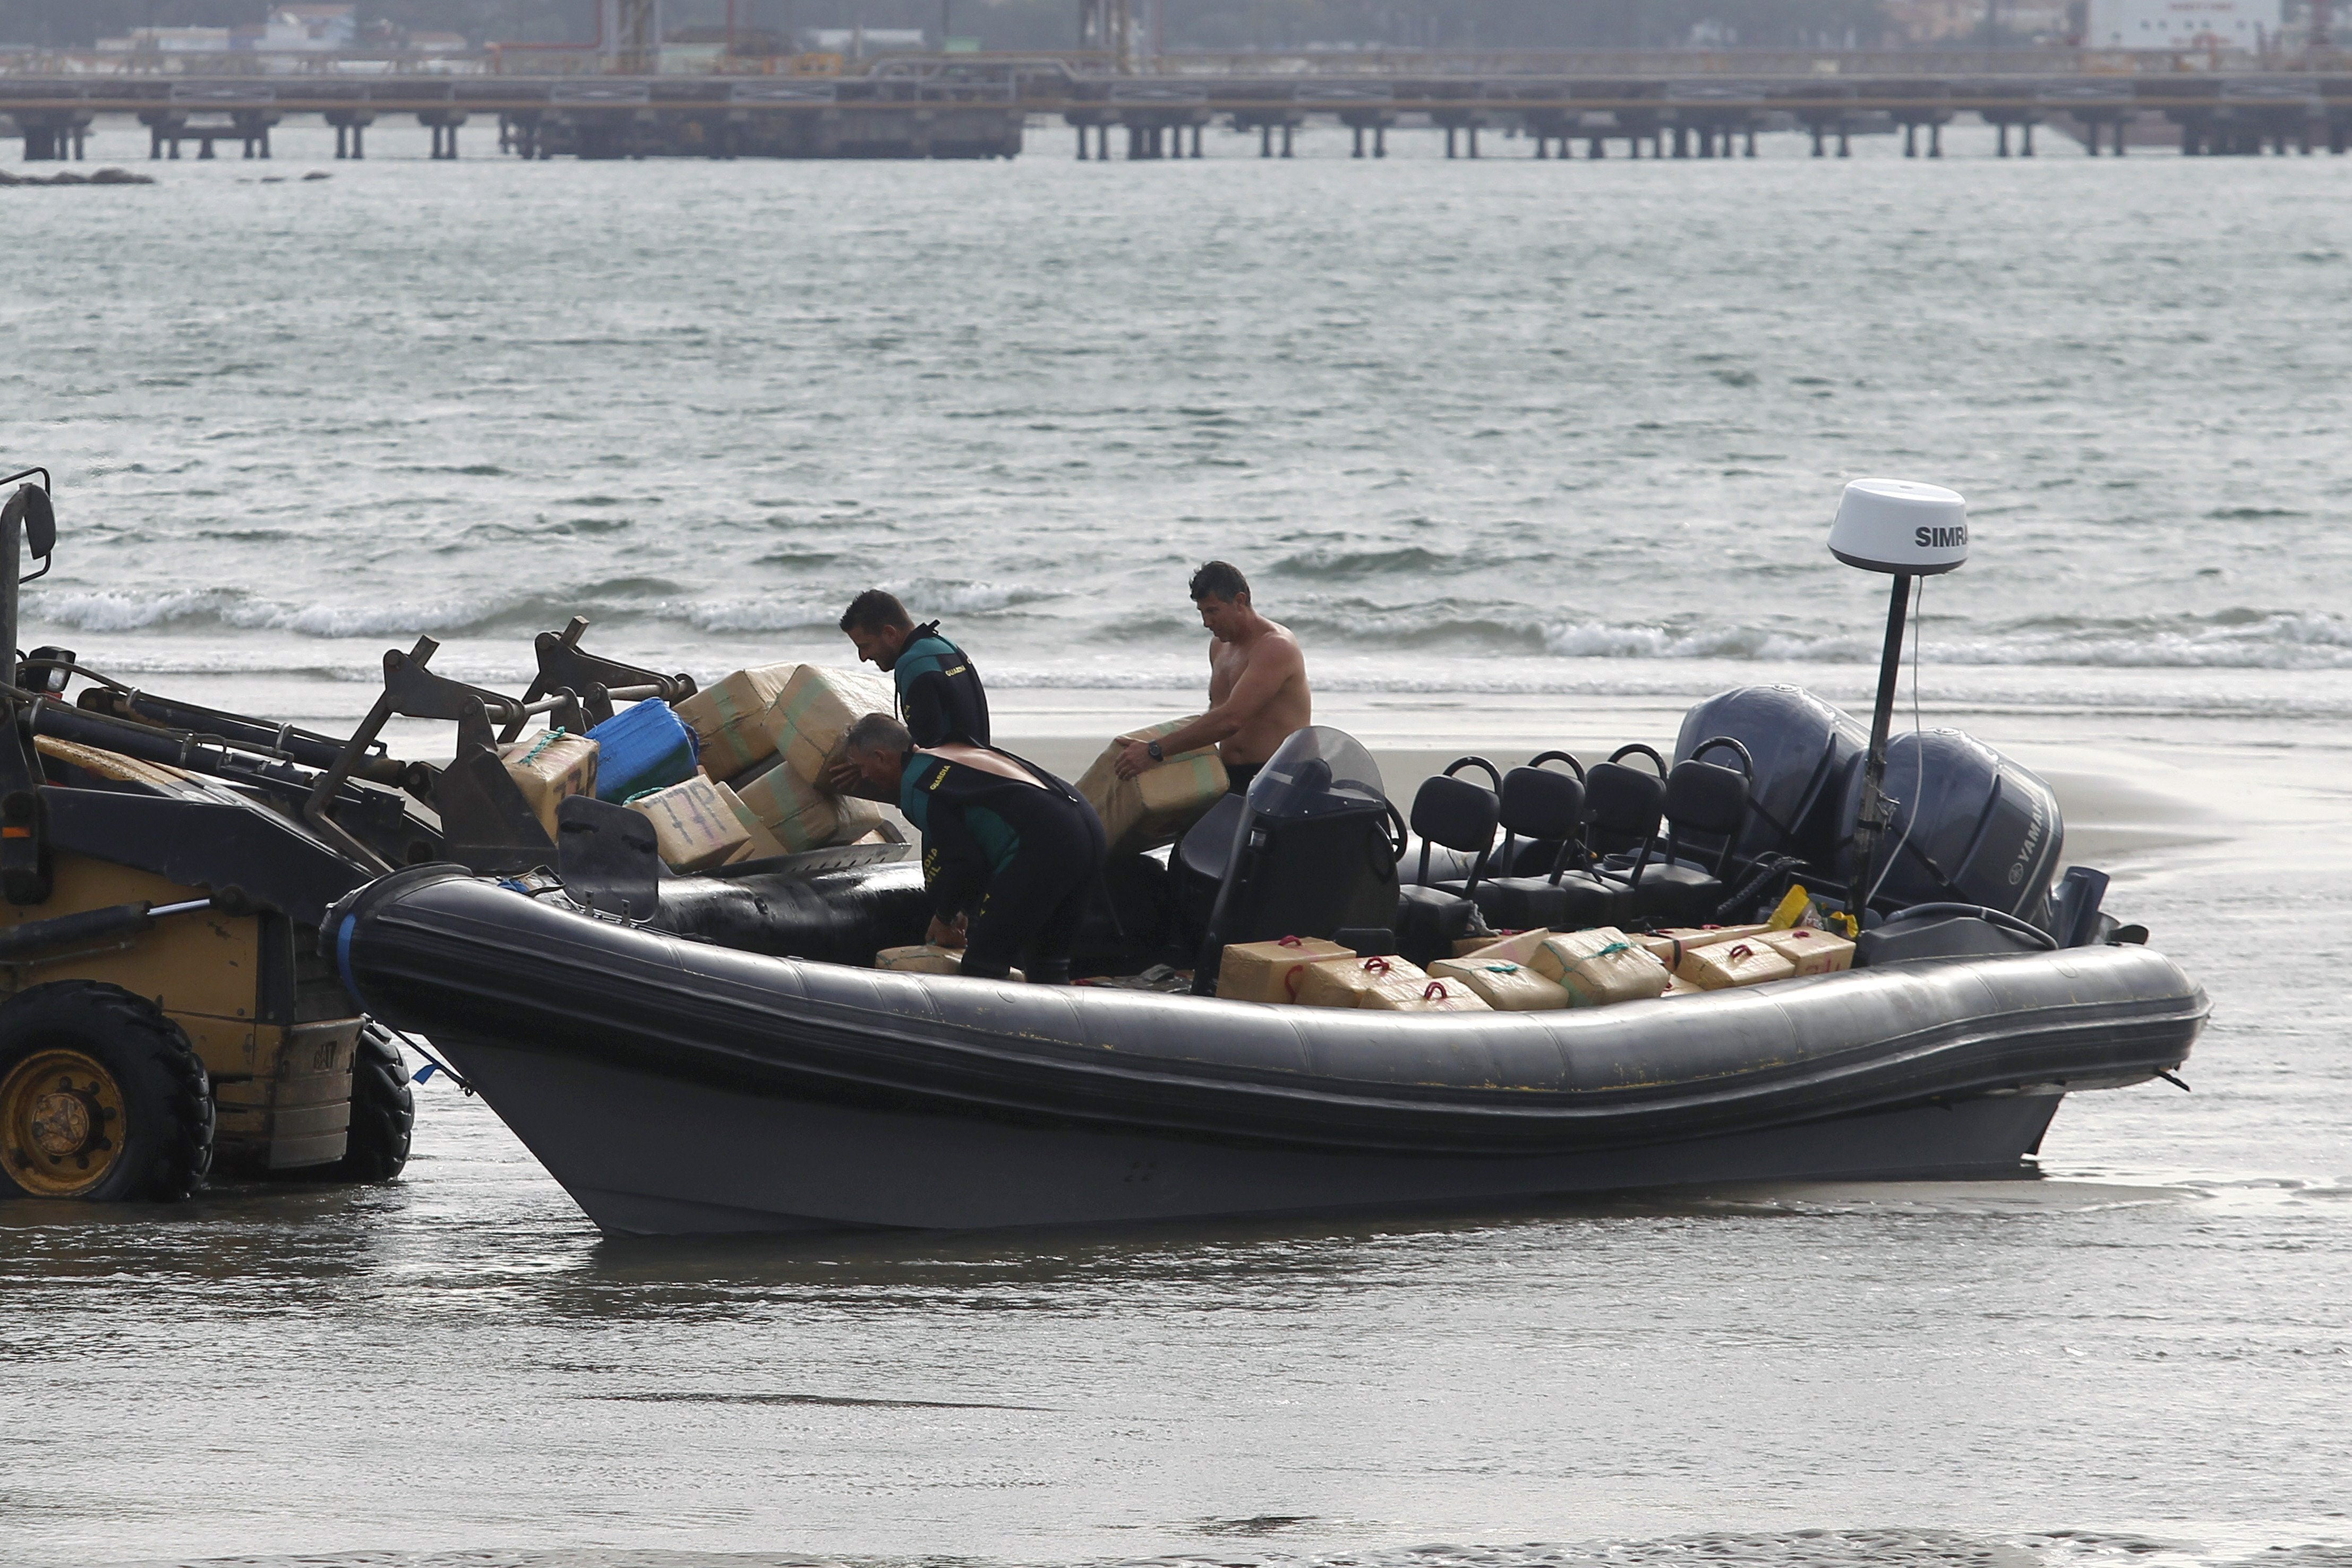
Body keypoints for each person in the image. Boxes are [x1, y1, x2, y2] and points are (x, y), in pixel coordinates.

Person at [842, 712, 1106, 985]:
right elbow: (975, 845)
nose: (862, 776)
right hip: (1087, 828)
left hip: (1045, 845)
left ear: (880, 757)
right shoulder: (947, 750)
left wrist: (944, 917)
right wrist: (962, 911)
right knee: (1049, 965)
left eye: (862, 767)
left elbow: (965, 862)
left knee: (984, 966)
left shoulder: (916, 785)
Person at [1111, 560, 1311, 798]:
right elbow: (1215, 716)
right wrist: (1151, 746)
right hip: (1230, 775)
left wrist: (1155, 750)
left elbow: (1231, 719)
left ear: (1239, 601)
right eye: (1202, 612)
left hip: (1280, 776)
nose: (1207, 622)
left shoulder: (1275, 647)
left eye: (1213, 611)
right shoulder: (1219, 647)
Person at [836, 589, 991, 748]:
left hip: (954, 770)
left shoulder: (912, 664)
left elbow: (926, 750)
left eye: (865, 646)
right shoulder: (945, 645)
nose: (863, 657)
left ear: (890, 634)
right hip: (982, 762)